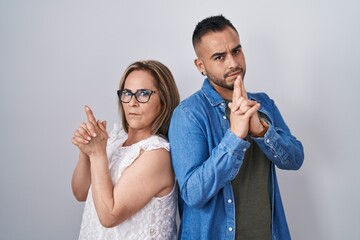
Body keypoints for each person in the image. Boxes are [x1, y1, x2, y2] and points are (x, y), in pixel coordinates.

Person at [168, 15, 304, 240]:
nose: (233, 63)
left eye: (236, 51)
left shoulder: (264, 104)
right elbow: (192, 194)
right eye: (219, 57)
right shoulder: (189, 114)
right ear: (200, 65)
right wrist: (234, 136)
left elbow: (295, 159)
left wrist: (260, 130)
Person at [71, 60, 180, 239]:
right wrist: (87, 150)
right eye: (127, 93)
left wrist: (98, 154)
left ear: (164, 100)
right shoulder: (115, 139)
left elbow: (109, 215)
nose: (132, 102)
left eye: (143, 93)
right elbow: (80, 192)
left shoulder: (157, 153)